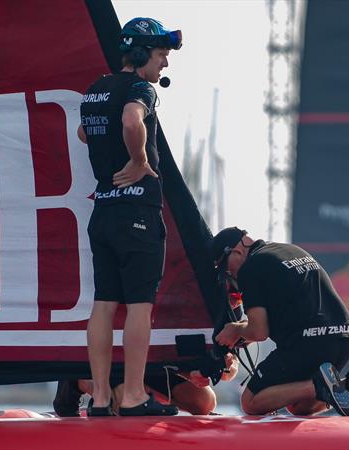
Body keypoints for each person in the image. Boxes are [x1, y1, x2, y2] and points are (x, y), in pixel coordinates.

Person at [77, 17, 183, 417]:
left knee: (103, 302)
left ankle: (101, 398)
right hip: (137, 210)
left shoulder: (94, 91)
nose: (164, 65)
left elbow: (84, 134)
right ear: (141, 55)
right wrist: (139, 160)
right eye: (160, 56)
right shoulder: (141, 89)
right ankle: (135, 394)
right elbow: (129, 120)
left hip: (102, 211)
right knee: (140, 304)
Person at [213, 228, 349, 416]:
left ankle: (320, 385)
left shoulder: (250, 268)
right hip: (343, 340)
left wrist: (235, 329)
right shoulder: (287, 250)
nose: (229, 274)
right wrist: (245, 333)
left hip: (308, 344)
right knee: (297, 406)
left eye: (225, 267)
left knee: (251, 402)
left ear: (236, 251)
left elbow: (259, 332)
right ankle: (348, 385)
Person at [53, 354, 239, 417]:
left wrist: (223, 366)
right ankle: (80, 381)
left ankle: (138, 392)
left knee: (205, 402)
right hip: (122, 354)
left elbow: (232, 366)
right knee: (124, 403)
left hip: (160, 361)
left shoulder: (224, 294)